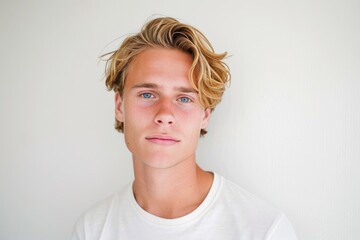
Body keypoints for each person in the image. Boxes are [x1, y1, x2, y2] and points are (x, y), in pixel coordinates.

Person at [72, 17, 298, 240]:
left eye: (184, 98)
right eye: (147, 94)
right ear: (120, 107)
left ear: (205, 115)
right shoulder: (92, 229)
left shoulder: (265, 230)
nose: (164, 115)